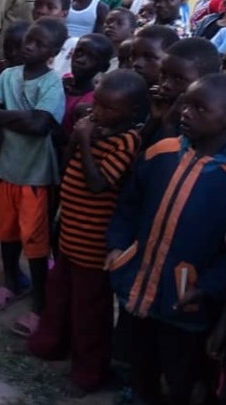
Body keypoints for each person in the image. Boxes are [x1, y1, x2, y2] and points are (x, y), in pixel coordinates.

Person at [27, 70, 148, 396]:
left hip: (94, 247)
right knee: (59, 296)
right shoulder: (94, 131)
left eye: (109, 109)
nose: (98, 113)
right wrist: (80, 139)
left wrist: (82, 137)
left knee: (89, 313)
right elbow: (68, 165)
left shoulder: (126, 142)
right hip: (70, 234)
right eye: (97, 106)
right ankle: (49, 344)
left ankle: (88, 372)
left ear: (131, 113)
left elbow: (98, 185)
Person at [108, 74, 226, 405]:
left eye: (200, 108)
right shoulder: (161, 152)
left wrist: (207, 287)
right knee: (139, 356)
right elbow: (128, 205)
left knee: (179, 371)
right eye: (186, 104)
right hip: (138, 282)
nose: (186, 113)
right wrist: (118, 247)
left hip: (186, 298)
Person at [0, 17, 68, 338]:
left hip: (34, 175)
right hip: (6, 169)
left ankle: (40, 306)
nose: (29, 46)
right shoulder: (10, 75)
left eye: (39, 44)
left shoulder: (52, 83)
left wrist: (10, 117)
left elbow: (40, 126)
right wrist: (21, 115)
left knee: (35, 242)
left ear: (53, 52)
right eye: (29, 39)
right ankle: (11, 283)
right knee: (7, 234)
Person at [61, 34, 113, 135]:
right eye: (78, 52)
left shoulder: (92, 102)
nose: (80, 60)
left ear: (104, 67)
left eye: (91, 57)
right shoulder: (63, 81)